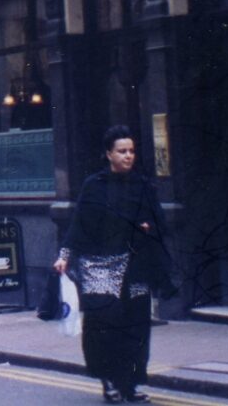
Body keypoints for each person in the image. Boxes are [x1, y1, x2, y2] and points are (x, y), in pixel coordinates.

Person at [54, 125, 174, 404]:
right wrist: (64, 256)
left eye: (131, 151)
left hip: (135, 266)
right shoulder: (94, 185)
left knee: (136, 328)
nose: (128, 156)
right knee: (104, 326)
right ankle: (108, 380)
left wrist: (149, 227)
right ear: (109, 154)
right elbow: (78, 224)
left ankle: (130, 384)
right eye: (122, 151)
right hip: (99, 266)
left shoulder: (143, 185)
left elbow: (160, 222)